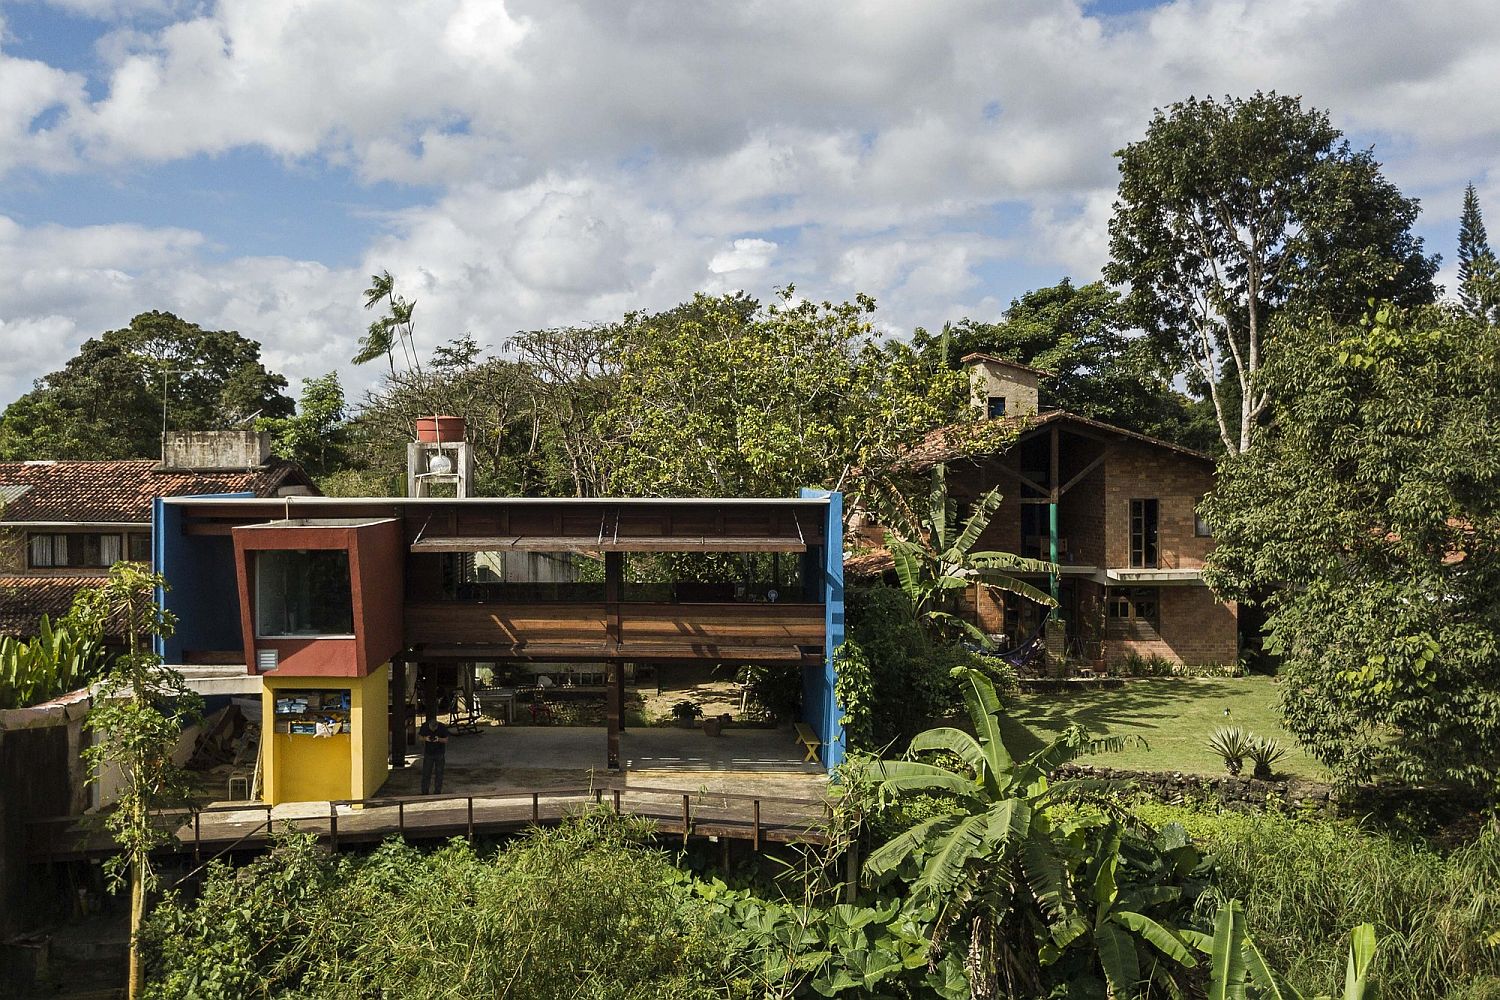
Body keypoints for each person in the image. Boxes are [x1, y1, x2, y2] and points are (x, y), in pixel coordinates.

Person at [418, 711, 450, 795]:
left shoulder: (442, 727)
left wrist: (438, 739)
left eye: (434, 729)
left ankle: (437, 791)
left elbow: (446, 740)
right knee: (426, 773)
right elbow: (420, 737)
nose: (432, 730)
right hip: (428, 753)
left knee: (439, 773)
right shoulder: (424, 726)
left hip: (439, 753)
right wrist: (426, 738)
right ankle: (424, 791)